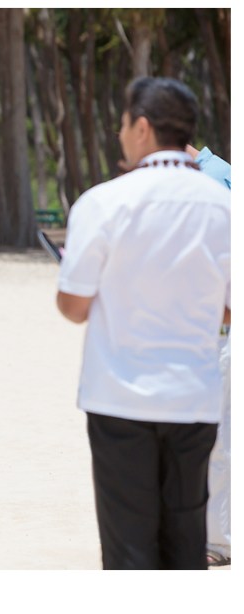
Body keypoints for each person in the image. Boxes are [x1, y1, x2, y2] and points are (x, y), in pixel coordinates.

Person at [56, 77, 231, 569]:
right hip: (194, 398)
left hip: (118, 398)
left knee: (128, 549)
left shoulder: (102, 202)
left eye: (123, 124)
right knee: (184, 544)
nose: (119, 135)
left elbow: (73, 306)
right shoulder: (225, 205)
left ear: (142, 128)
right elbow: (230, 307)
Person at [186, 143, 232, 567]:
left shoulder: (209, 184)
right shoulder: (220, 173)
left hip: (222, 330)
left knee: (218, 440)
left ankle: (218, 542)